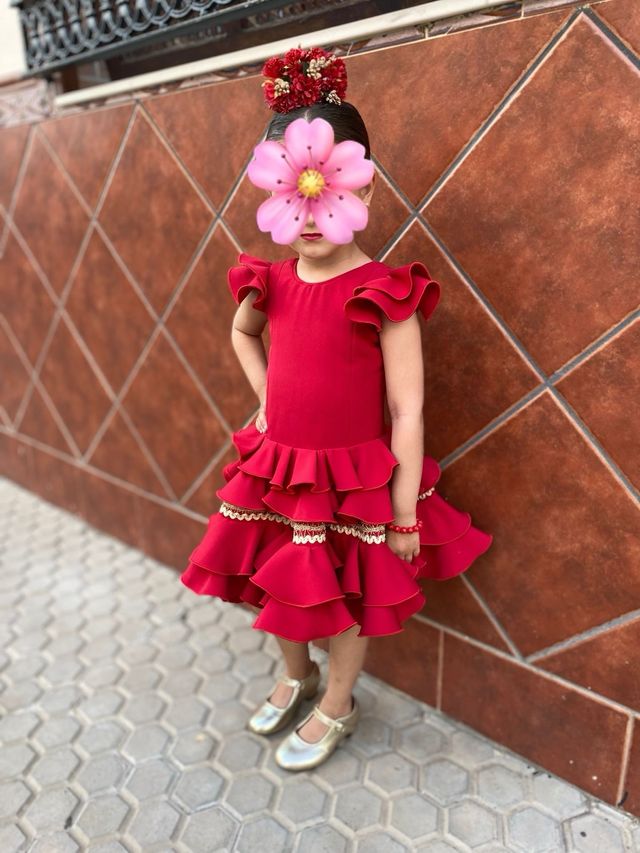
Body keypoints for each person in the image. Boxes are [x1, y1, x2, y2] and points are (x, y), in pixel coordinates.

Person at [180, 46, 493, 771]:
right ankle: (297, 675)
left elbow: (407, 410)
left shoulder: (383, 292)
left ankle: (339, 701)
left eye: (326, 190)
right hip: (278, 467)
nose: (310, 213)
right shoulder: (272, 281)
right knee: (276, 575)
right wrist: (268, 397)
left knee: (348, 591)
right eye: (291, 190)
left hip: (354, 480)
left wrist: (405, 510)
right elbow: (242, 333)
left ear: (362, 187)